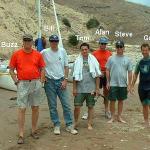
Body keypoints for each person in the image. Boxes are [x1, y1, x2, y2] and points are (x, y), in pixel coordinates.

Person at [9, 34, 45, 144]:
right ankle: (21, 134)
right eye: (25, 41)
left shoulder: (38, 55)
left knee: (35, 107)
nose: (27, 42)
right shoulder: (16, 54)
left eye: (29, 41)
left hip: (35, 83)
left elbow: (42, 68)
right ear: (23, 42)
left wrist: (41, 80)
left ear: (32, 42)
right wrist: (16, 81)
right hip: (22, 84)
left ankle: (34, 130)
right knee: (22, 108)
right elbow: (11, 69)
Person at [41, 34, 78, 135]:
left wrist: (65, 80)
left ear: (58, 42)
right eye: (52, 41)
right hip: (49, 82)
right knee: (52, 106)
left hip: (61, 81)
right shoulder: (44, 52)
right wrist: (42, 77)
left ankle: (69, 125)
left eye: (56, 41)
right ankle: (56, 125)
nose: (54, 43)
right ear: (50, 42)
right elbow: (38, 64)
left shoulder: (62, 51)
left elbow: (66, 66)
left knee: (66, 104)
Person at [73, 43, 101, 130]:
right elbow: (74, 76)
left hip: (91, 88)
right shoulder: (77, 61)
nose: (84, 51)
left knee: (90, 106)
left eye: (86, 49)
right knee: (77, 107)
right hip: (80, 88)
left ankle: (89, 123)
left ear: (88, 50)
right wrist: (74, 88)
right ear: (80, 50)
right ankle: (76, 122)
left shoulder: (94, 60)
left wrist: (97, 88)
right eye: (82, 49)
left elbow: (97, 75)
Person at [106, 40, 132, 123]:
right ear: (115, 48)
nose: (119, 48)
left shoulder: (128, 59)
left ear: (123, 48)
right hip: (113, 83)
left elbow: (130, 72)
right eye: (118, 46)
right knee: (112, 101)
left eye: (121, 46)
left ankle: (119, 117)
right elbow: (107, 70)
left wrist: (129, 84)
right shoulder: (111, 58)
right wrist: (107, 82)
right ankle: (113, 117)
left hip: (123, 84)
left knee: (121, 101)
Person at [92, 37, 112, 119]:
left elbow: (111, 66)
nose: (103, 45)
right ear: (99, 44)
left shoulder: (109, 54)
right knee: (93, 93)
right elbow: (92, 65)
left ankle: (107, 111)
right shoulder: (94, 53)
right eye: (102, 43)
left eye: (104, 44)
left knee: (106, 93)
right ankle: (89, 111)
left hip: (106, 74)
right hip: (97, 75)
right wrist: (99, 73)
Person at [131, 43, 150, 127]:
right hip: (141, 86)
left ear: (149, 50)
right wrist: (132, 85)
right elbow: (135, 74)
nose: (144, 52)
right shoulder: (139, 62)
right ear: (141, 51)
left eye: (146, 50)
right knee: (144, 104)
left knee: (148, 103)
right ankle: (146, 121)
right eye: (143, 50)